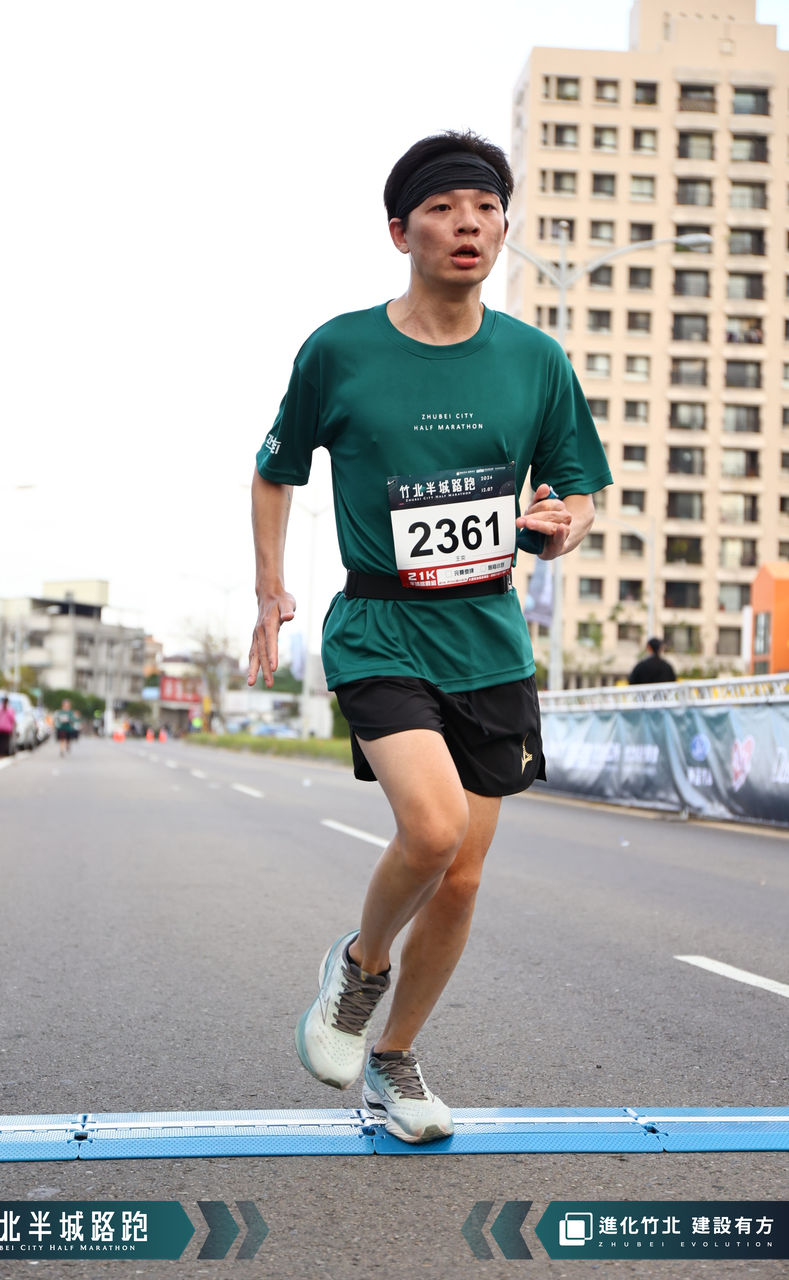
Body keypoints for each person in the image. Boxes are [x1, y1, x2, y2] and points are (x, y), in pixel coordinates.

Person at [248, 129, 613, 1144]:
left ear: (502, 227)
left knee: (461, 877)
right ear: (399, 230)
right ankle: (359, 970)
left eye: (486, 208)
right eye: (445, 208)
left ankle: (394, 1059)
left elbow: (577, 490)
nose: (469, 225)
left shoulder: (535, 360)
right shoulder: (340, 350)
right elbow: (275, 467)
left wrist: (564, 523)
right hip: (379, 625)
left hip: (488, 635)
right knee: (432, 826)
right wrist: (271, 586)